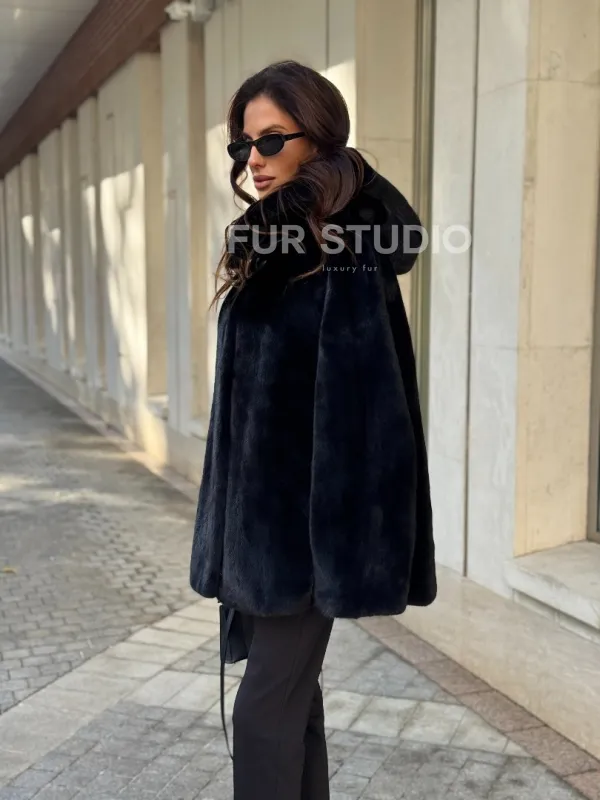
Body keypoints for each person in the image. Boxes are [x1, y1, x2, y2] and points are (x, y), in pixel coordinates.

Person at [190, 59, 436, 800]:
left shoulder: (342, 253)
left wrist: (333, 554)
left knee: (264, 710)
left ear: (319, 139)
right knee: (293, 705)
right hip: (263, 536)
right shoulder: (279, 247)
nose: (253, 160)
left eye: (271, 140)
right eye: (242, 145)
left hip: (304, 542)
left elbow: (367, 422)